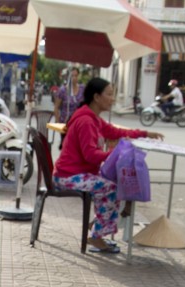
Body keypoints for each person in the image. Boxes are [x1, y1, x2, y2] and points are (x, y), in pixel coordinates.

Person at [53, 78, 165, 254]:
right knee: (111, 188)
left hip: (79, 173)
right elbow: (90, 155)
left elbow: (116, 132)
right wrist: (115, 154)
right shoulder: (86, 121)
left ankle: (97, 226)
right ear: (97, 97)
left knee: (114, 184)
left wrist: (144, 133)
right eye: (109, 94)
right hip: (67, 176)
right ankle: (96, 235)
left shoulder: (94, 119)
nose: (112, 98)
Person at [53, 67, 83, 149]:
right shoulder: (62, 90)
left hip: (78, 123)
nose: (74, 78)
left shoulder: (82, 89)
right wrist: (58, 121)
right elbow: (56, 107)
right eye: (72, 76)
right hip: (66, 122)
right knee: (67, 146)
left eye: (76, 76)